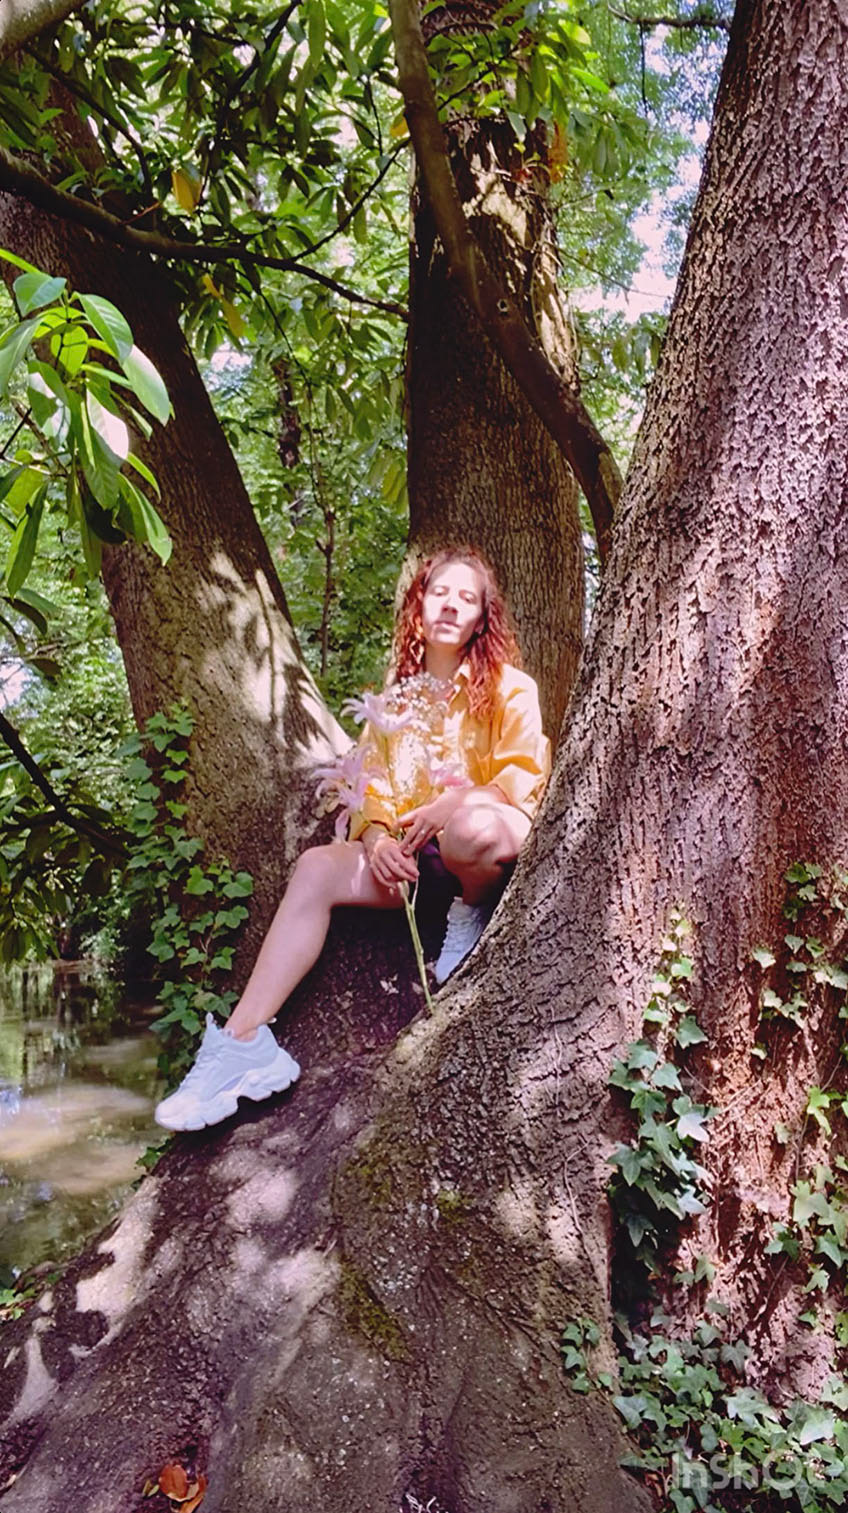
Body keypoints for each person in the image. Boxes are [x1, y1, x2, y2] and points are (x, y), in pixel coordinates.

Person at [154, 550, 550, 1132]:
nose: (450, 606)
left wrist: (456, 802)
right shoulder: (394, 703)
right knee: (317, 867)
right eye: (440, 593)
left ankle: (469, 912)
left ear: (480, 619)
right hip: (418, 860)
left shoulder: (511, 689)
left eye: (467, 598)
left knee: (472, 829)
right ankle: (242, 1044)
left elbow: (522, 778)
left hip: (488, 841)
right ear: (419, 605)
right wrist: (378, 841)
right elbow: (371, 786)